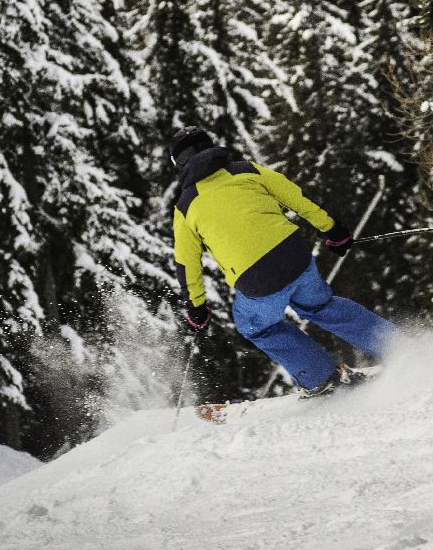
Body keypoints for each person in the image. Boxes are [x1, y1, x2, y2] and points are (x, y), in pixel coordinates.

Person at [169, 126, 399, 397]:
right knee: (321, 305)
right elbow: (295, 197)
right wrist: (332, 230)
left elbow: (187, 262)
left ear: (178, 163)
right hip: (294, 255)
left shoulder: (185, 206)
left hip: (255, 279)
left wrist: (196, 307)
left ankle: (320, 377)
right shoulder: (246, 170)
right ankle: (395, 346)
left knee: (257, 326)